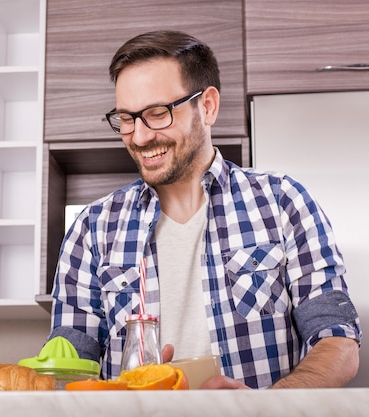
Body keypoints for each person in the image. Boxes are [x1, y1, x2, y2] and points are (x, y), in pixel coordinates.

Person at [48, 30, 361, 389]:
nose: (139, 136)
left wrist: (266, 408)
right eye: (127, 118)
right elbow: (69, 365)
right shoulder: (92, 230)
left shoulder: (282, 202)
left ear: (208, 106)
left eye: (157, 113)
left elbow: (337, 340)